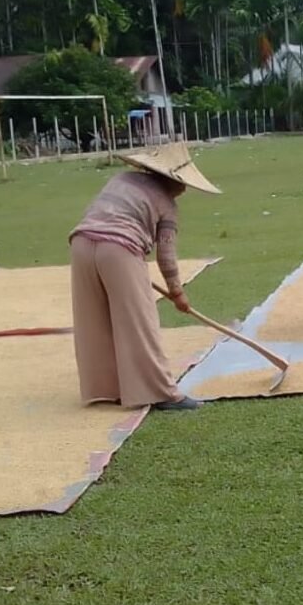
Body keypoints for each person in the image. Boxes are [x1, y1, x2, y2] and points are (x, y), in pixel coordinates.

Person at [68, 143, 220, 413]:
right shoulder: (167, 205)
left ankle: (107, 388)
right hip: (120, 250)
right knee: (140, 322)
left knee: (94, 319)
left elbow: (97, 215)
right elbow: (166, 255)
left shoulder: (121, 179)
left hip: (81, 245)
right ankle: (164, 393)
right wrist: (177, 292)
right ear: (169, 178)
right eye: (182, 182)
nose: (184, 189)